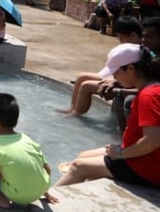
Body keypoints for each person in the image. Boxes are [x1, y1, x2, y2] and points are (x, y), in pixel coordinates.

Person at [56, 44, 160, 189]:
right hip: (141, 158)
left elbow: (153, 141)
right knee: (82, 156)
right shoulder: (149, 88)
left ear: (130, 69)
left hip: (146, 168)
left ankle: (41, 205)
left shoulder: (150, 95)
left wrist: (120, 153)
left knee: (77, 166)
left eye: (116, 72)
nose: (114, 77)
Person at [0, 93, 56, 208]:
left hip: (17, 196)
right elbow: (47, 169)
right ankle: (38, 190)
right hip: (43, 188)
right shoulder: (26, 138)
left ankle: (0, 199)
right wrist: (43, 191)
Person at [64, 20, 144, 118]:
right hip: (124, 78)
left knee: (86, 86)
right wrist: (114, 79)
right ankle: (72, 109)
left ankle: (76, 115)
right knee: (82, 77)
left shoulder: (138, 52)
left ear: (133, 35)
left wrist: (116, 85)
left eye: (122, 38)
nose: (121, 42)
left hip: (129, 82)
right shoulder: (133, 49)